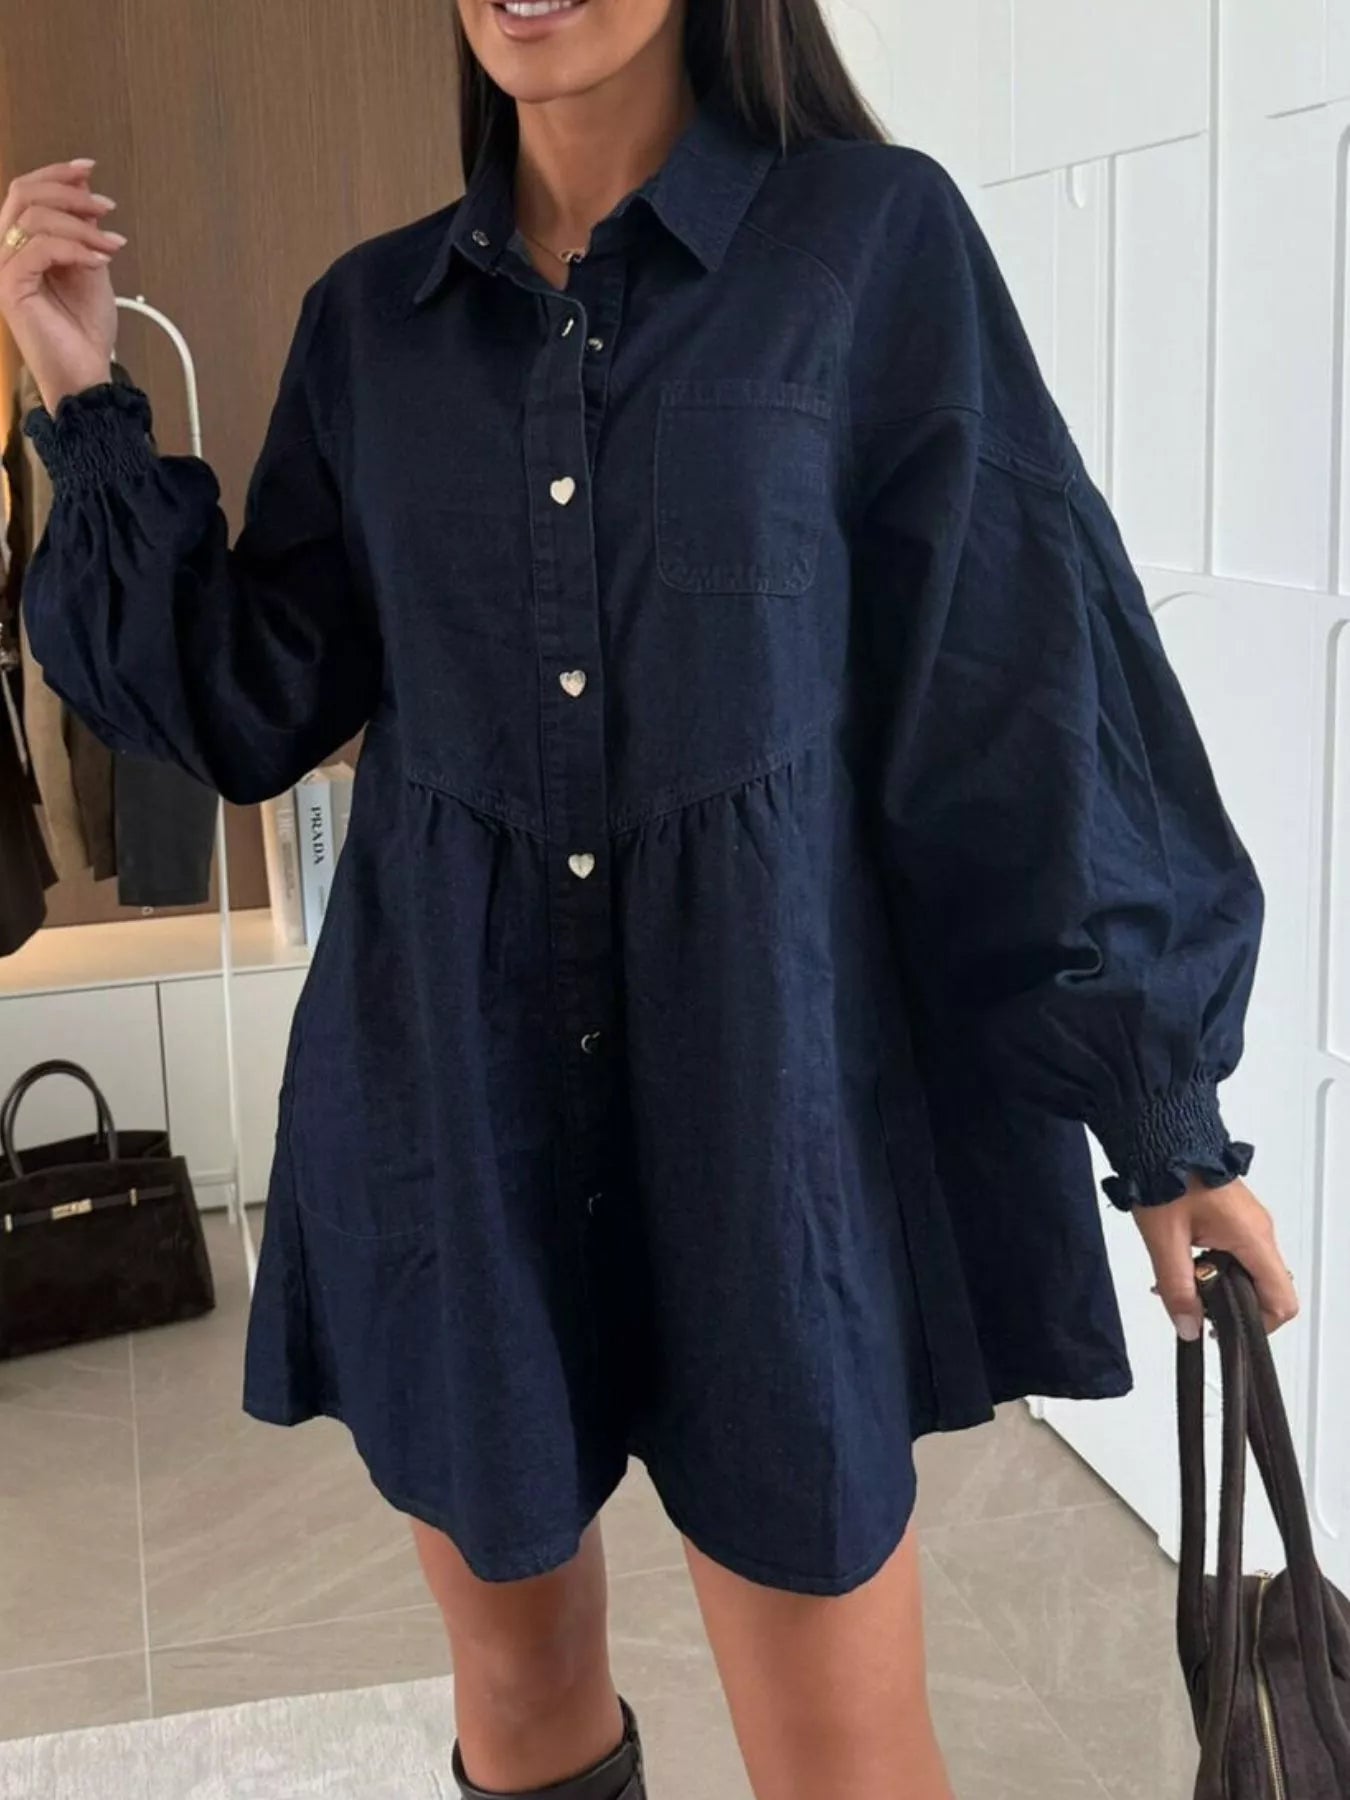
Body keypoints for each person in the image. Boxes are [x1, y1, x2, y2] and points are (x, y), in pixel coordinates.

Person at [0, 1, 1300, 1795]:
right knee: (522, 1717)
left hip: (774, 1130)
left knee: (841, 1753)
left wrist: (1164, 1116)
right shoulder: (373, 323)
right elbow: (247, 701)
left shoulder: (867, 246)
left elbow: (1018, 681)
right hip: (459, 1119)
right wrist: (81, 396)